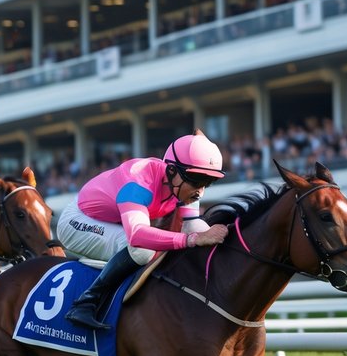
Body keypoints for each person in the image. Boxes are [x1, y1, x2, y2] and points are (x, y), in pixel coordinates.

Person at [59, 131, 230, 330]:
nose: (200, 190)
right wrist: (191, 240)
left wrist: (222, 237)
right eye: (196, 180)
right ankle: (86, 302)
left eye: (207, 182)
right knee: (142, 250)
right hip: (78, 220)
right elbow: (138, 235)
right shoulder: (138, 182)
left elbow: (193, 225)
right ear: (172, 170)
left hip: (114, 222)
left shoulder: (181, 184)